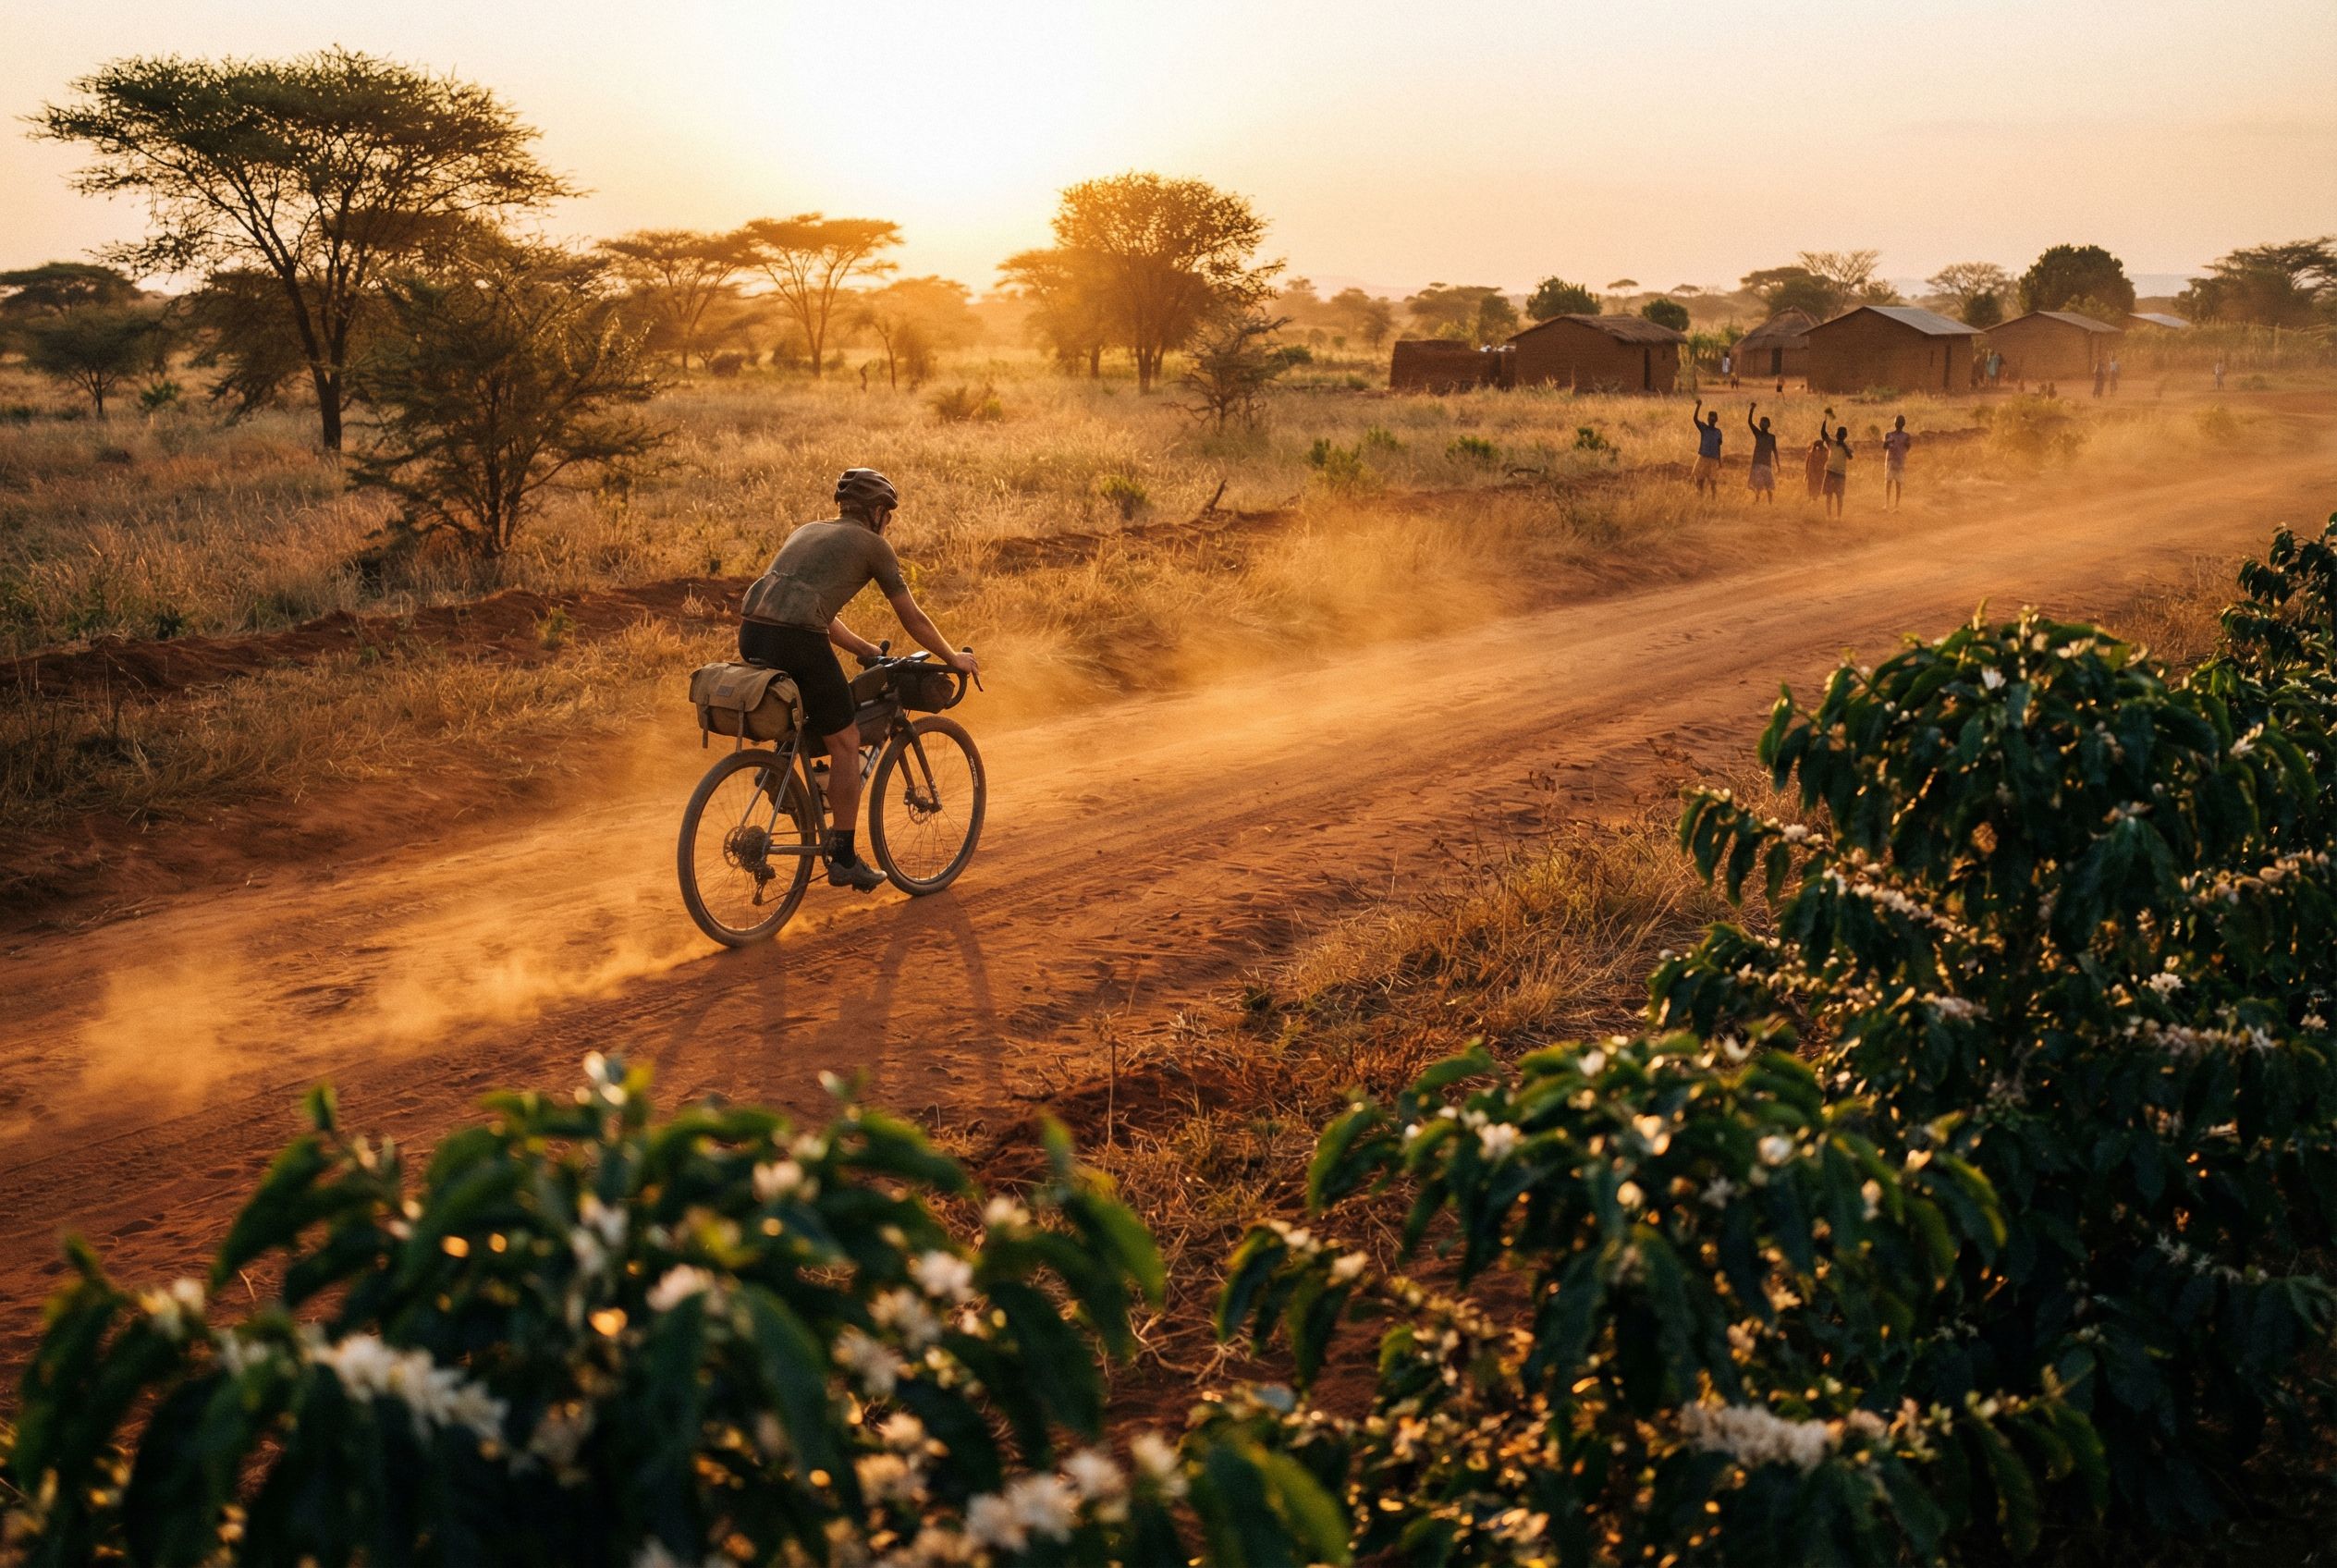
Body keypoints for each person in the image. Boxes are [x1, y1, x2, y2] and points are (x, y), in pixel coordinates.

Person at [738, 469, 980, 892]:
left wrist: (866, 650)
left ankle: (782, 776)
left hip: (753, 632)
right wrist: (952, 657)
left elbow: (816, 611)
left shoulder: (808, 531)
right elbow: (913, 617)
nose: (889, 522)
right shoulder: (874, 545)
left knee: (810, 712)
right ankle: (845, 857)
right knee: (846, 739)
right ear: (878, 512)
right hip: (798, 639)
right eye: (889, 514)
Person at [1818, 408, 1853, 518]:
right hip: (1830, 472)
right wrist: (1824, 421)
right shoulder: (1831, 443)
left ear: (1845, 436)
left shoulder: (1847, 446)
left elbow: (1850, 456)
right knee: (1829, 496)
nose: (1841, 435)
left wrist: (1843, 445)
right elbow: (1823, 434)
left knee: (1839, 497)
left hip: (1840, 474)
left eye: (1843, 434)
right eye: (1839, 433)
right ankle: (1829, 516)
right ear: (1836, 434)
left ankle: (1838, 517)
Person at [1745, 401, 1780, 504]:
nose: (1763, 424)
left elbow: (1775, 451)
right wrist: (1752, 409)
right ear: (1760, 424)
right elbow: (1750, 422)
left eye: (1765, 422)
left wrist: (1778, 465)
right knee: (1758, 487)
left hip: (1767, 465)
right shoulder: (1758, 433)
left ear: (1769, 425)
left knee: (1769, 488)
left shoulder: (1772, 437)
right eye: (1761, 422)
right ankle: (1757, 502)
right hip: (1757, 464)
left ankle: (1770, 504)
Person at [1690, 398, 1724, 496]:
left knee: (1713, 483)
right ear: (1708, 419)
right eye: (1710, 418)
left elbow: (1718, 447)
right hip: (1703, 457)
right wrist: (1698, 407)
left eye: (1713, 418)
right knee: (1699, 479)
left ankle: (1713, 500)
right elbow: (1695, 419)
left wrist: (1719, 461)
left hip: (1713, 459)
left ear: (1716, 420)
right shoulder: (1704, 428)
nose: (1711, 419)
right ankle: (1700, 497)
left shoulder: (1718, 432)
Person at [1881, 414, 1911, 511]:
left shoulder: (1906, 436)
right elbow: (1884, 447)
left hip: (1899, 462)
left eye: (1900, 422)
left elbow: (1908, 447)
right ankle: (1887, 504)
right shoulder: (1889, 435)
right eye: (1897, 421)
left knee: (1896, 484)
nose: (1898, 423)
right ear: (1895, 423)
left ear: (1903, 424)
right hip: (1892, 461)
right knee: (1889, 483)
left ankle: (1895, 506)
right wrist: (1887, 442)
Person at [1803, 425, 1829, 503]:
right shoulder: (1824, 454)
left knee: (1812, 488)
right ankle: (1814, 499)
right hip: (1818, 474)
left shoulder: (1812, 454)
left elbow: (1807, 465)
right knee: (1817, 487)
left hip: (1813, 474)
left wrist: (1806, 473)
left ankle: (1813, 499)